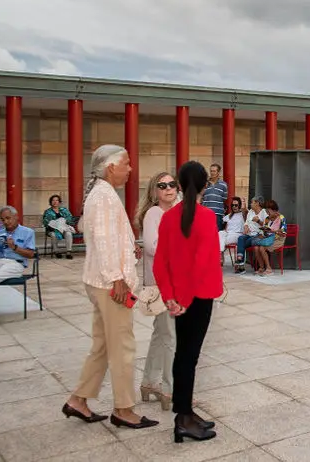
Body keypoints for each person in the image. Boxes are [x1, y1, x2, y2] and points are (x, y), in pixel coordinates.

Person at [63, 144, 158, 429]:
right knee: (123, 347)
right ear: (110, 167)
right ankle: (124, 409)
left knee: (103, 346)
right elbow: (104, 242)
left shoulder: (101, 194)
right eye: (126, 164)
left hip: (100, 281)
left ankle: (78, 400)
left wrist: (128, 253)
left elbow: (110, 239)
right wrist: (117, 278)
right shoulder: (103, 196)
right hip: (109, 285)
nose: (131, 169)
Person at [154, 161, 224, 443]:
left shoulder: (168, 217)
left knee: (184, 355)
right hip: (198, 296)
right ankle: (182, 418)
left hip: (180, 298)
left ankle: (185, 412)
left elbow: (161, 263)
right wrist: (182, 299)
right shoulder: (207, 217)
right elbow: (202, 262)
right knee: (188, 357)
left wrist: (171, 297)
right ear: (205, 185)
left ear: (180, 185)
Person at [133, 171, 179, 411]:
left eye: (172, 184)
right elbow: (152, 246)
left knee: (161, 334)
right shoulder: (154, 213)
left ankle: (149, 382)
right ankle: (168, 388)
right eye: (162, 185)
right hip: (162, 284)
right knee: (170, 335)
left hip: (175, 282)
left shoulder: (177, 212)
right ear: (154, 191)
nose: (168, 189)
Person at [251, 200, 287, 276]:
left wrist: (274, 231)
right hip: (268, 239)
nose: (267, 213)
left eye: (268, 211)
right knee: (256, 248)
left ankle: (269, 268)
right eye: (266, 211)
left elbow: (283, 233)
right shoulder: (267, 219)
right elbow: (266, 231)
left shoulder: (281, 218)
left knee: (262, 248)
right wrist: (264, 230)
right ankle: (261, 268)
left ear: (274, 210)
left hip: (278, 240)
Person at [233, 196, 268, 272]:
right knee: (240, 238)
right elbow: (246, 222)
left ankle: (240, 264)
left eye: (252, 202)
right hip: (249, 234)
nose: (250, 204)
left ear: (257, 203)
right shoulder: (251, 212)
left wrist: (258, 221)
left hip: (257, 235)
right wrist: (245, 226)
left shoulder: (264, 213)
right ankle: (240, 261)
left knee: (241, 243)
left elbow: (267, 226)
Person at [43, 194, 77, 259]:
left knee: (68, 233)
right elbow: (45, 222)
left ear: (59, 202)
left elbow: (70, 218)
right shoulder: (48, 212)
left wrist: (65, 221)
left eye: (57, 200)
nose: (55, 202)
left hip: (63, 228)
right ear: (50, 202)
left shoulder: (64, 210)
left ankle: (68, 252)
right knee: (53, 234)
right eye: (53, 200)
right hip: (52, 229)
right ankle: (56, 251)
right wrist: (53, 224)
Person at [201, 163, 228, 230]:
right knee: (205, 232)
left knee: (217, 234)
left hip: (218, 213)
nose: (212, 173)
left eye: (214, 171)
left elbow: (224, 198)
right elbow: (200, 197)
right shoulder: (204, 183)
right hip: (206, 213)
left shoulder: (223, 185)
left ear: (218, 172)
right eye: (211, 171)